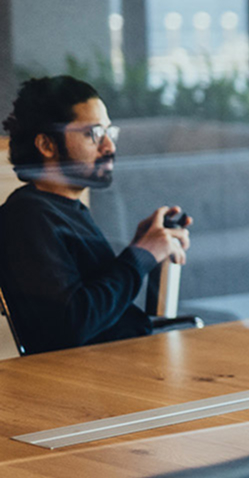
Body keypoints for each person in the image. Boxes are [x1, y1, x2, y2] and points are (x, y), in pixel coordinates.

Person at [0, 76, 191, 355]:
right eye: (94, 134)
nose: (109, 147)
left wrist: (147, 249)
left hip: (124, 359)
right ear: (46, 145)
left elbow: (101, 309)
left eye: (109, 133)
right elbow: (69, 327)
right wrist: (139, 256)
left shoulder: (66, 210)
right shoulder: (26, 217)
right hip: (99, 380)